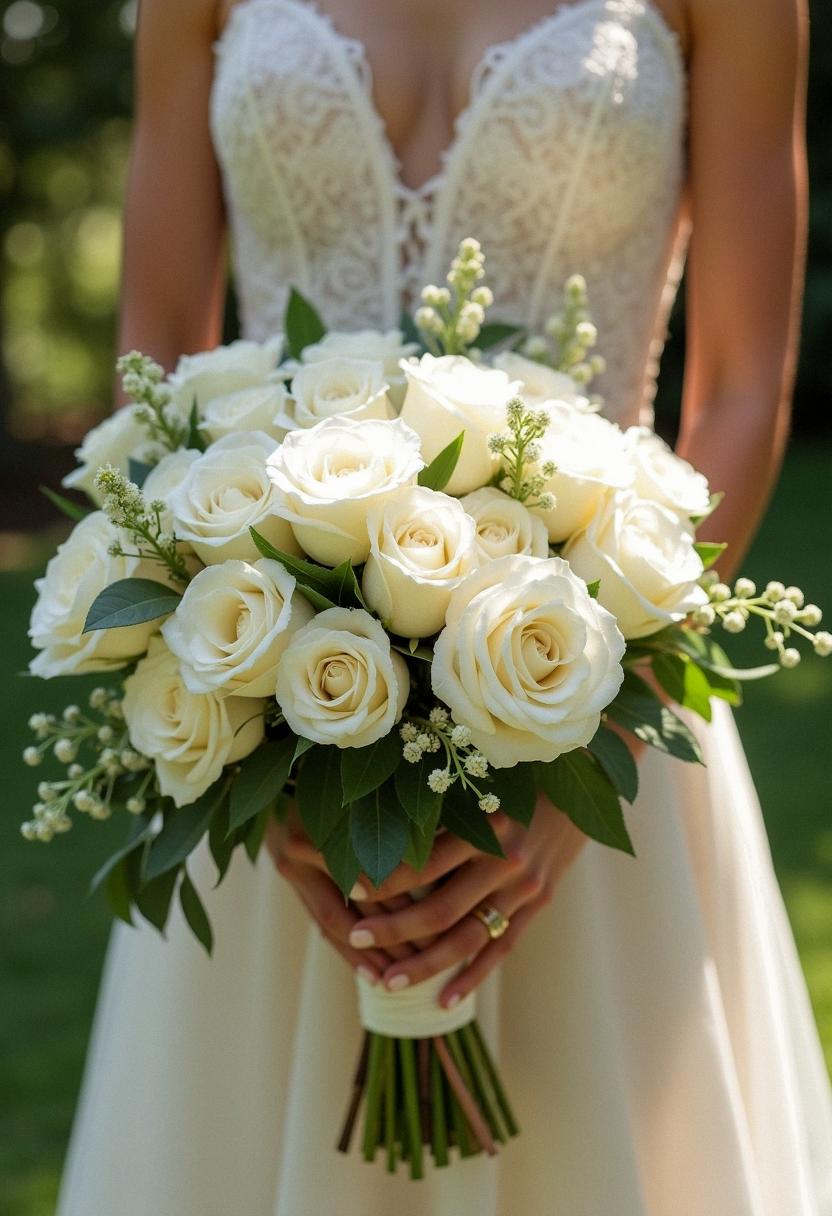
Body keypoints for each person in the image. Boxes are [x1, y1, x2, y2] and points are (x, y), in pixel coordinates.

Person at [58, 1, 832, 1213]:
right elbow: (157, 340)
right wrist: (242, 741)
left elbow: (739, 381)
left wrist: (607, 729)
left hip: (592, 702)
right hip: (267, 696)